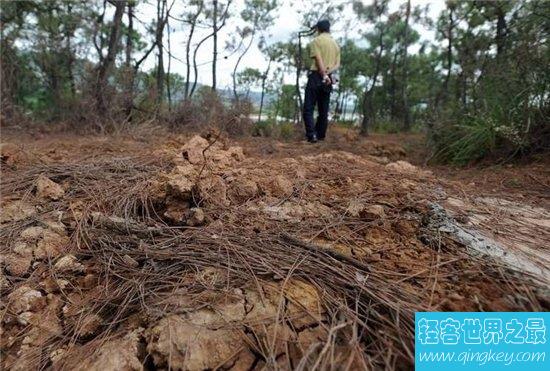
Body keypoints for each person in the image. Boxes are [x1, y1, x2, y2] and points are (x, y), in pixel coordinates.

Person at [303, 19, 340, 143]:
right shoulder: (335, 44)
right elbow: (337, 64)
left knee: (308, 108)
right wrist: (329, 73)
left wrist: (323, 74)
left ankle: (312, 135)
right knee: (323, 109)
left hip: (317, 76)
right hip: (329, 76)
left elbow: (318, 60)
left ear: (318, 29)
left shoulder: (316, 41)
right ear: (329, 29)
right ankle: (321, 136)